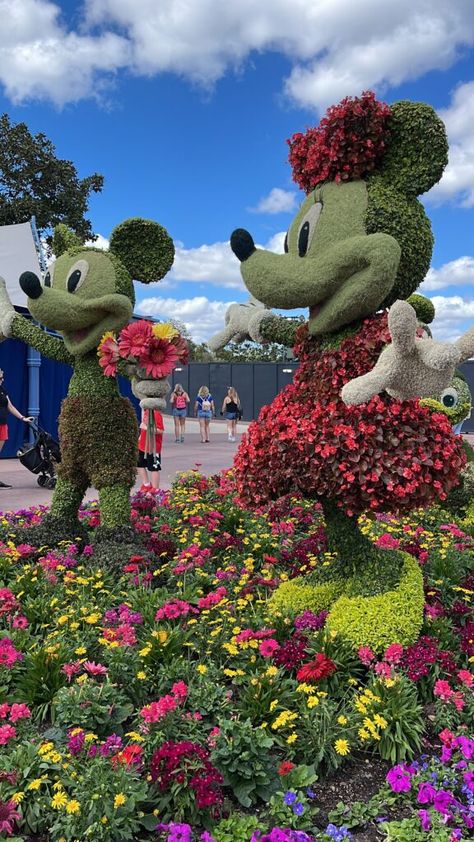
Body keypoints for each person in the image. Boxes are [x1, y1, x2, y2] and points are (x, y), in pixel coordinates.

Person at [0, 368, 34, 488]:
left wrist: (22, 418)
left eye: (2, 378)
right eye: (0, 378)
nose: (2, 380)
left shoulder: (2, 390)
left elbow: (10, 406)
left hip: (2, 425)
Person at [137, 407, 164, 492]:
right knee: (139, 464)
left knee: (154, 468)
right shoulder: (146, 412)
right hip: (142, 445)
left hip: (153, 447)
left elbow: (160, 430)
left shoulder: (156, 414)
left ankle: (155, 489)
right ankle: (146, 484)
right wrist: (140, 437)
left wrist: (146, 428)